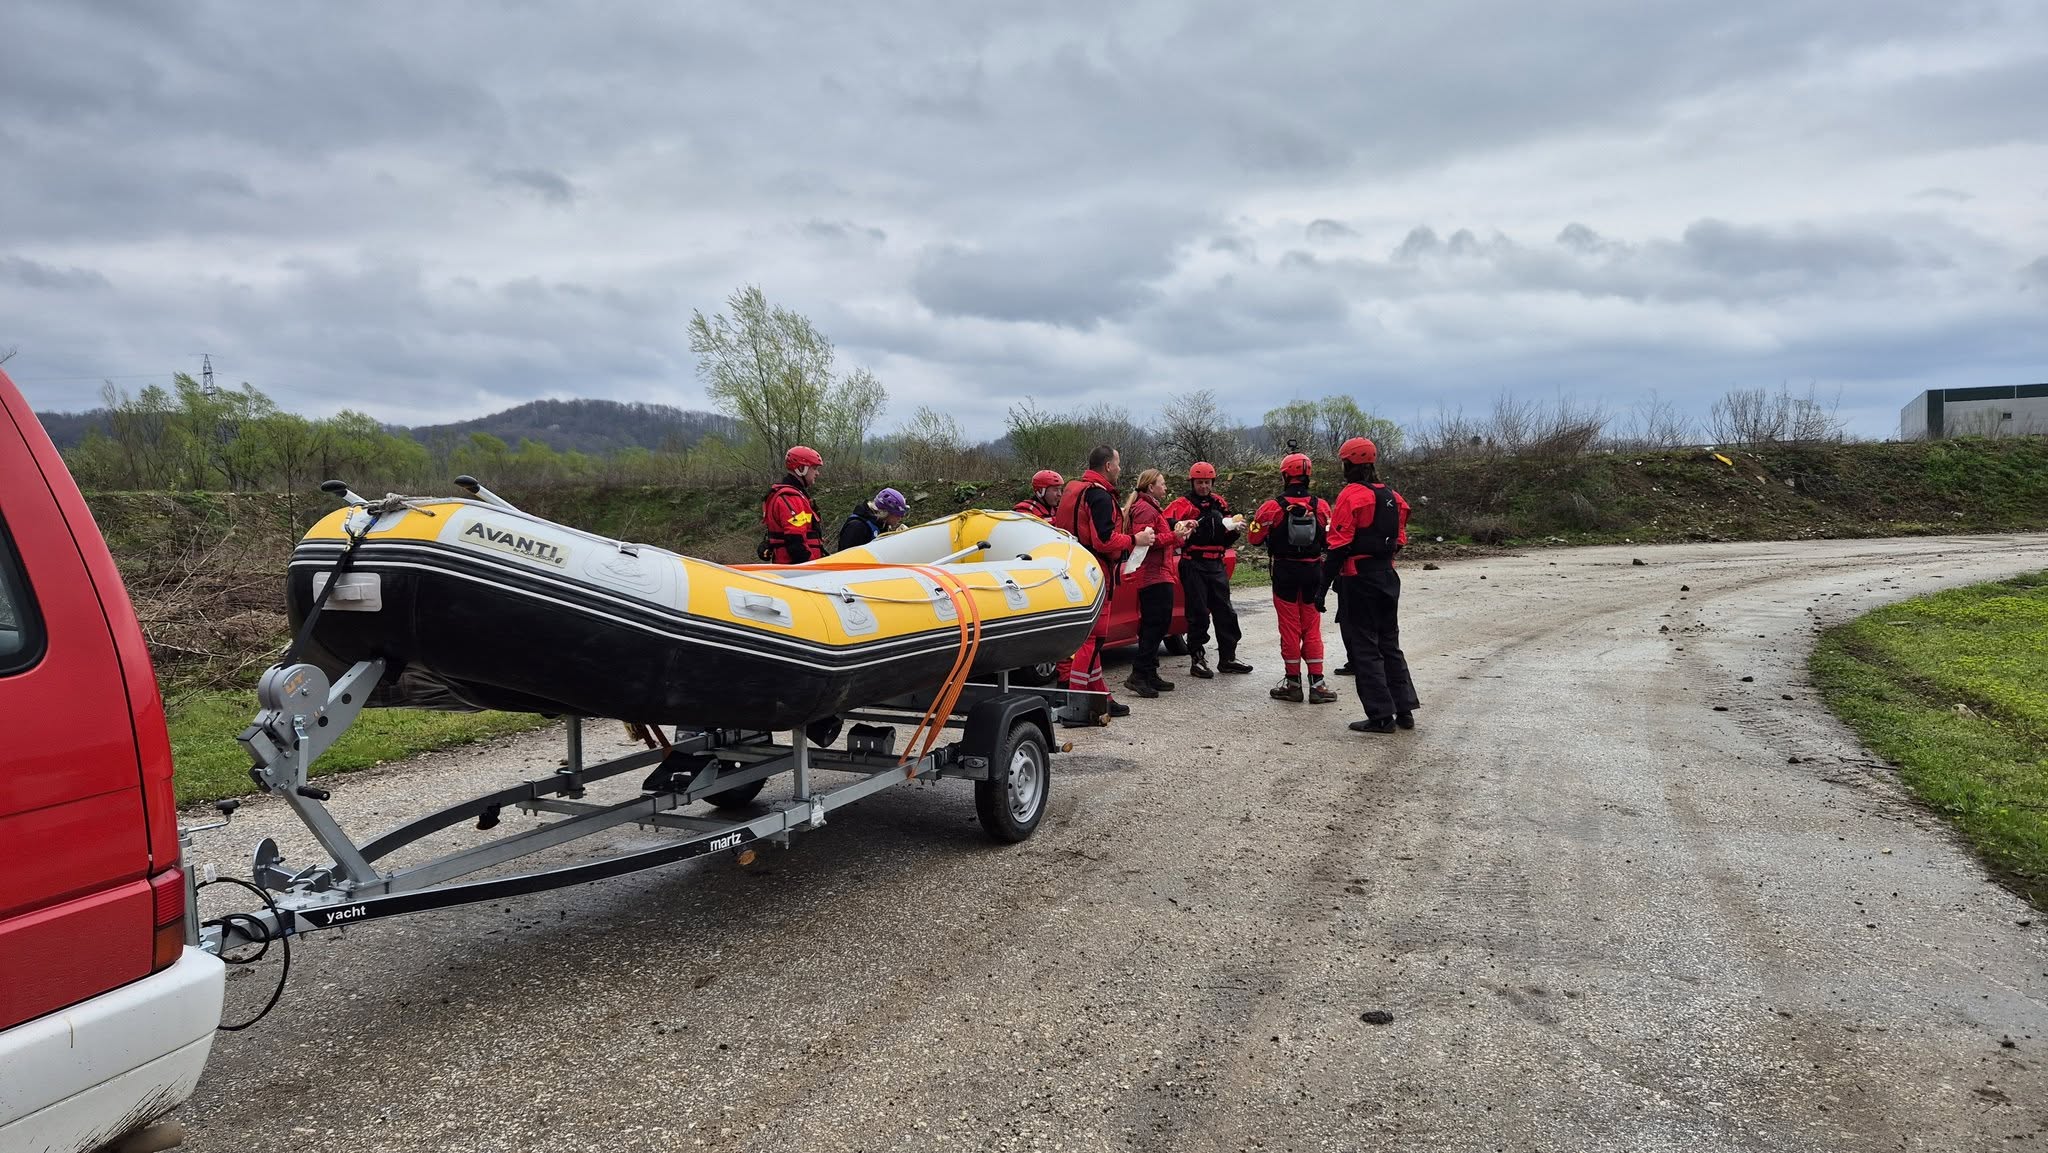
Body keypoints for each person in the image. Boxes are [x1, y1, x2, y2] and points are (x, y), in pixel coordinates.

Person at [1052, 445, 1156, 726]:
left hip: (1073, 570)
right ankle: (1076, 705)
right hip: (1095, 575)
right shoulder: (1099, 496)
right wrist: (1136, 540)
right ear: (1108, 465)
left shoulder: (1077, 491)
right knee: (1093, 640)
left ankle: (1100, 695)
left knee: (1090, 640)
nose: (1120, 470)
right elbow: (1105, 541)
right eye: (1118, 464)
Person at [1323, 437, 1420, 733]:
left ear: (1348, 463)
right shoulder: (1394, 496)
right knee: (1390, 644)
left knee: (1365, 648)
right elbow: (1399, 539)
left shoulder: (1351, 495)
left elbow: (1338, 545)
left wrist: (1321, 588)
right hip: (1388, 578)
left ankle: (1380, 716)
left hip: (1359, 579)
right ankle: (1404, 710)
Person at [1248, 452, 1339, 704]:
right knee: (1311, 628)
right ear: (1308, 475)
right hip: (1313, 572)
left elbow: (1254, 537)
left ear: (1285, 475)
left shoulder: (1271, 507)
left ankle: (1292, 683)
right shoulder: (1321, 506)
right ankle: (1318, 685)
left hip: (1285, 573)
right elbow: (1329, 539)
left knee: (1289, 628)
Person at [1162, 462, 1253, 678]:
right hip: (1193, 563)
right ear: (1192, 483)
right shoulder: (1181, 504)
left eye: (1207, 482)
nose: (1203, 486)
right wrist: (1181, 524)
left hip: (1216, 563)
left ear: (1212, 482)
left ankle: (1228, 658)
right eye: (1200, 482)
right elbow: (1165, 522)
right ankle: (1197, 658)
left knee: (1226, 612)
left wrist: (1235, 530)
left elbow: (1226, 533)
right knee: (1198, 613)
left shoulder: (1219, 503)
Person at [1119, 468, 1191, 699]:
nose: (1166, 487)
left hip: (1159, 572)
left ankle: (1149, 672)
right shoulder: (1144, 509)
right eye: (1162, 483)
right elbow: (1146, 541)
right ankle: (1139, 674)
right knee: (1155, 625)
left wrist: (1177, 531)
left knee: (1158, 624)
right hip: (1152, 575)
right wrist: (1175, 536)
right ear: (1151, 487)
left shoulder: (1148, 507)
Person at [760, 446, 826, 564]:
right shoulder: (791, 498)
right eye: (814, 468)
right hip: (797, 571)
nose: (817, 473)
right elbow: (796, 541)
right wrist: (811, 569)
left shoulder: (792, 495)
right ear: (801, 468)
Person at [839, 487, 910, 550]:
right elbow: (846, 560)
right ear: (885, 512)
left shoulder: (881, 524)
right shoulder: (857, 527)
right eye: (897, 515)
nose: (900, 518)